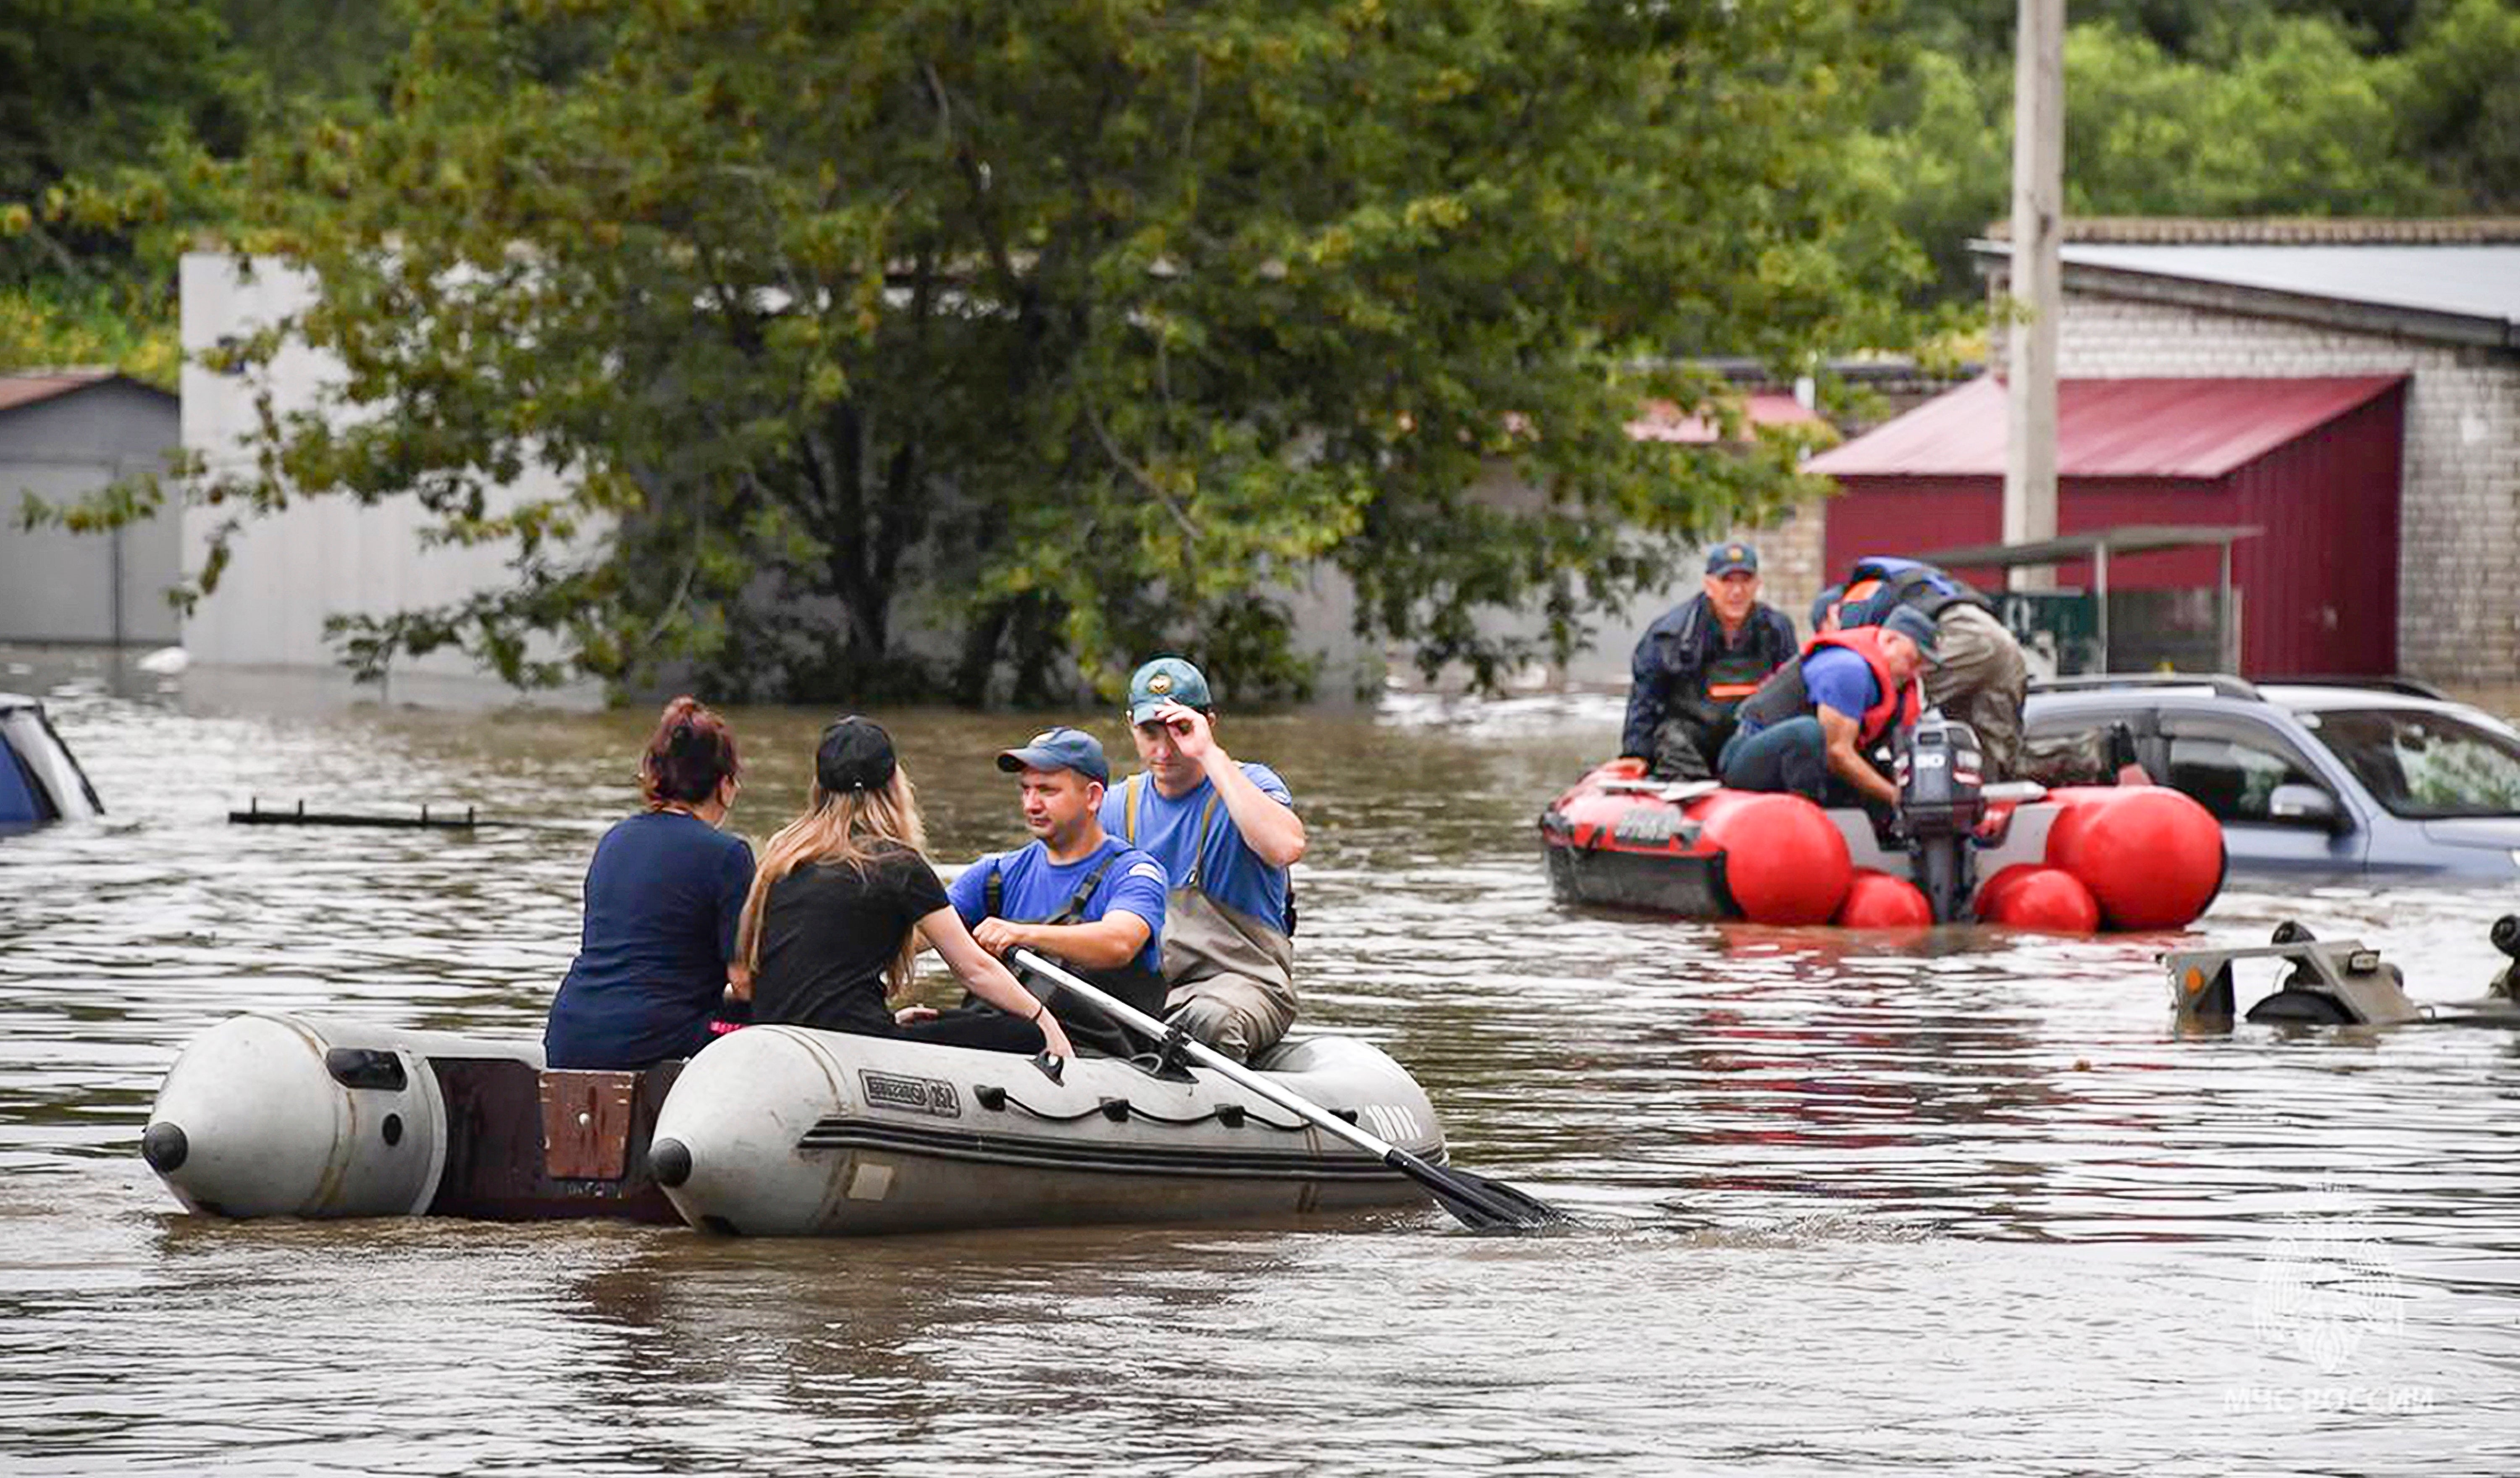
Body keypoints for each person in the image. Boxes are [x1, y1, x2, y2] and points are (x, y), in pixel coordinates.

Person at [738, 715, 1075, 1060]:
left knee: (939, 1019)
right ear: (894, 785)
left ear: (820, 786)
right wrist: (1044, 1022)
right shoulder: (897, 864)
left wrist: (888, 1021)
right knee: (1022, 1033)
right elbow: (974, 969)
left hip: (779, 1035)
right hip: (854, 1043)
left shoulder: (783, 856)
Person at [1101, 656, 1305, 1062]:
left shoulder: (1251, 785)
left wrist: (1209, 755)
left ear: (1208, 723)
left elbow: (1285, 847)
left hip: (1244, 984)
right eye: (1150, 732)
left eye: (1179, 730)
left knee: (1208, 1021)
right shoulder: (1115, 806)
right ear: (1131, 726)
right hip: (1149, 993)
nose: (1164, 749)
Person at [545, 696, 754, 1070]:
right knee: (770, 1022)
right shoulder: (728, 855)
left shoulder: (614, 839)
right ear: (724, 785)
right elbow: (744, 982)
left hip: (568, 1031)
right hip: (651, 1040)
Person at [944, 726, 1171, 1056]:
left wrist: (1022, 934)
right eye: (1026, 790)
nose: (1031, 804)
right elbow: (921, 932)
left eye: (1047, 791)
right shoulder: (995, 874)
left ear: (1093, 797)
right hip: (1003, 1040)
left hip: (1098, 1054)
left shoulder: (1135, 872)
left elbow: (1119, 943)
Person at [1822, 556, 2030, 781]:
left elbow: (1857, 653)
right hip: (1996, 637)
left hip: (1955, 636)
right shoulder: (1905, 582)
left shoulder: (1859, 597)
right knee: (1992, 751)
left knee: (1893, 697)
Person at [1612, 542, 1799, 782]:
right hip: (1691, 738)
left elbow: (1792, 693)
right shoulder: (1671, 634)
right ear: (1709, 586)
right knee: (1672, 736)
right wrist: (1636, 753)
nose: (1737, 592)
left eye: (1745, 582)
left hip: (1747, 737)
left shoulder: (1777, 630)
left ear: (1757, 585)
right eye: (1727, 582)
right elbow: (1646, 697)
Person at [1719, 604, 1937, 809]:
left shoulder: (1901, 688)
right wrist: (1895, 796)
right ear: (1890, 641)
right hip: (1747, 757)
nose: (1915, 673)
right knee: (1808, 732)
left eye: (1923, 668)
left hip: (1811, 766)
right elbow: (1837, 753)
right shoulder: (1847, 669)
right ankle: (1808, 824)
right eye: (1913, 661)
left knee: (1878, 770)